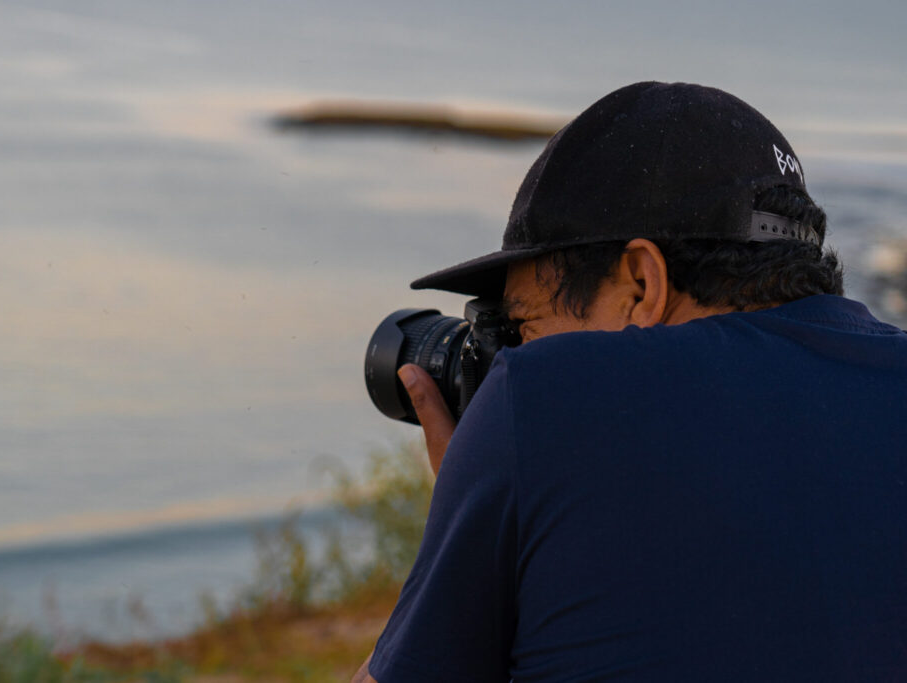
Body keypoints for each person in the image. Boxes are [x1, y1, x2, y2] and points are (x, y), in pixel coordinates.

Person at [353, 82, 907, 682]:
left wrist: (480, 501)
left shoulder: (548, 400)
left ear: (643, 285)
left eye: (521, 325)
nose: (510, 353)